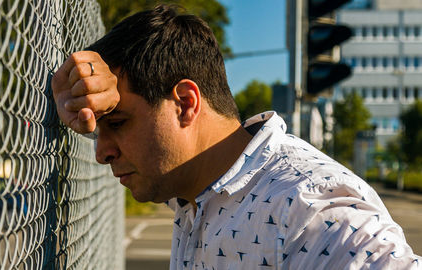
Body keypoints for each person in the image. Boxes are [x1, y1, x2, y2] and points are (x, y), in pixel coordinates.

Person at [51, 4, 421, 269]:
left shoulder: (309, 208)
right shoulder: (196, 188)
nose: (101, 153)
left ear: (184, 104)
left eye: (117, 122)